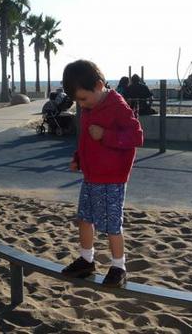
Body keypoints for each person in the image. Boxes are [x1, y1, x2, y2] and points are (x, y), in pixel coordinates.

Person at [61, 59, 143, 288]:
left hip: (112, 179)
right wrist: (79, 157)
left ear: (98, 85)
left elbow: (137, 137)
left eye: (83, 98)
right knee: (84, 219)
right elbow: (86, 138)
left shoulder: (118, 106)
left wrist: (106, 135)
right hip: (91, 176)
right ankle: (87, 259)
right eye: (77, 101)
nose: (81, 105)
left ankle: (119, 266)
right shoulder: (89, 106)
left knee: (112, 225)